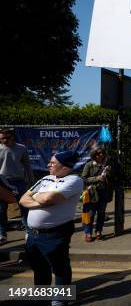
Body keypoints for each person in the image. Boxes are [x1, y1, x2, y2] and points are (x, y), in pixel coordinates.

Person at [19, 150, 82, 306]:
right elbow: (22, 199)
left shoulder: (74, 180)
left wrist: (39, 197)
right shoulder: (46, 178)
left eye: (53, 163)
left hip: (55, 233)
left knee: (60, 269)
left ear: (65, 167)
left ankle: (60, 300)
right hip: (33, 234)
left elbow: (49, 197)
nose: (48, 165)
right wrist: (41, 201)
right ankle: (42, 297)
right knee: (40, 269)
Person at [0, 128, 34, 244]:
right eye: (2, 138)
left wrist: (31, 180)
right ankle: (2, 234)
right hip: (2, 183)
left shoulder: (21, 148)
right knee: (1, 209)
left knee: (24, 207)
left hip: (19, 181)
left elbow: (27, 165)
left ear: (12, 137)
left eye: (7, 138)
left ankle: (29, 232)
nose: (4, 140)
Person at [81, 147, 112, 241]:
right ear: (94, 155)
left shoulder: (107, 165)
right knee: (90, 214)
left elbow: (112, 179)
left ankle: (99, 231)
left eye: (102, 153)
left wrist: (108, 173)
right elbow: (84, 178)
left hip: (103, 192)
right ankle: (88, 233)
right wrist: (97, 178)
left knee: (101, 214)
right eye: (98, 153)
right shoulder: (89, 165)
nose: (101, 155)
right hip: (92, 193)